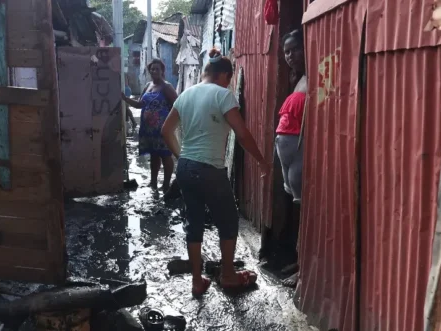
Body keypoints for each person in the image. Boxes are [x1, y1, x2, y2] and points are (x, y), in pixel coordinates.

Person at [161, 49, 271, 297]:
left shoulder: (185, 95)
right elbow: (242, 134)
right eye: (229, 78)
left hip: (186, 168)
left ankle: (197, 281)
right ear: (224, 75)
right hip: (209, 168)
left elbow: (166, 130)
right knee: (228, 221)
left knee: (194, 223)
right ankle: (229, 275)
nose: (229, 83)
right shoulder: (224, 95)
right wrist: (262, 161)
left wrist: (182, 155)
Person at [122, 59, 178, 192]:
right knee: (154, 155)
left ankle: (166, 184)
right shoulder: (148, 86)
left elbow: (178, 105)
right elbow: (140, 104)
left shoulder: (167, 87)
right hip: (149, 130)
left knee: (165, 155)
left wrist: (172, 125)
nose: (154, 71)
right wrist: (124, 98)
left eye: (157, 69)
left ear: (162, 71)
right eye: (152, 69)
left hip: (163, 129)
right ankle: (153, 182)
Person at [276, 29, 306, 204]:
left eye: (295, 49)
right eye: (286, 52)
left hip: (299, 148)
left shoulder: (314, 76)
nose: (290, 55)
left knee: (302, 199)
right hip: (285, 149)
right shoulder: (299, 79)